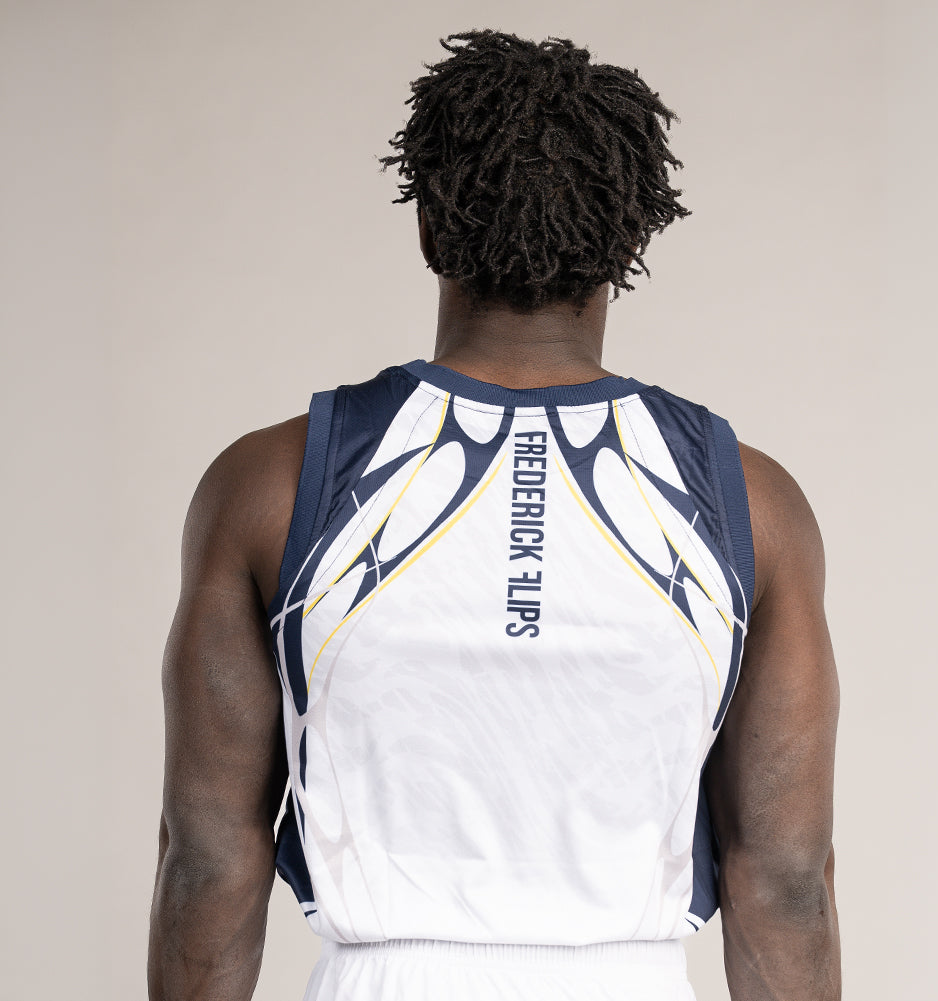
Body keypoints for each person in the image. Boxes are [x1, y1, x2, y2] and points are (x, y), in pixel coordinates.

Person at [147, 29, 840, 1001]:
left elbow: (209, 861)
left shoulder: (271, 483)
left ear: (429, 229)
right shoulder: (748, 503)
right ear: (627, 244)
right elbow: (785, 880)